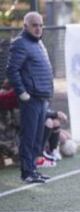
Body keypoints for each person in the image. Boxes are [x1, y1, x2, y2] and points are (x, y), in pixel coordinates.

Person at [6, 12, 53, 183]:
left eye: (40, 25)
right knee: (29, 136)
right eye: (34, 25)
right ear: (25, 26)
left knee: (37, 137)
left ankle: (33, 170)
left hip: (41, 97)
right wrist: (22, 92)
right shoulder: (20, 43)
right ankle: (26, 173)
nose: (38, 28)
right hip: (30, 99)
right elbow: (11, 70)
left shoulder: (38, 43)